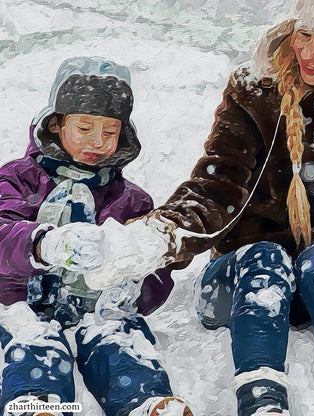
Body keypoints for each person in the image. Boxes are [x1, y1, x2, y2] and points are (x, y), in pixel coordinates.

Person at [40, 0, 314, 414]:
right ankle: (261, 400)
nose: (308, 53)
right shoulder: (257, 91)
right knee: (265, 256)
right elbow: (216, 187)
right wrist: (161, 234)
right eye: (304, 34)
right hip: (241, 284)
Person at [0, 57, 193, 416]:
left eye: (109, 131)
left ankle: (145, 403)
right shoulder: (18, 178)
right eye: (85, 127)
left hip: (94, 309)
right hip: (19, 304)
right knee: (35, 345)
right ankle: (36, 405)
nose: (97, 141)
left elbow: (155, 269)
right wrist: (44, 244)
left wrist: (137, 288)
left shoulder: (131, 200)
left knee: (118, 340)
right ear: (56, 125)